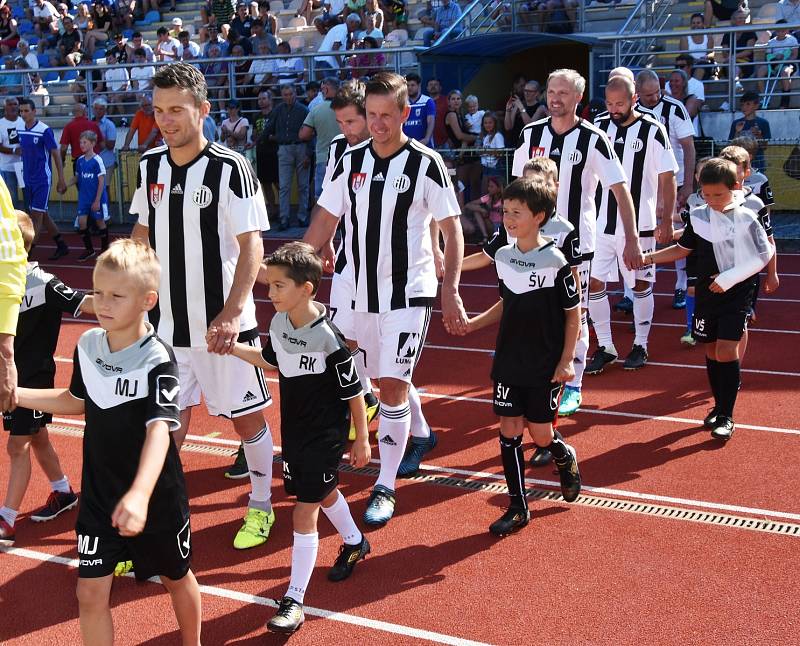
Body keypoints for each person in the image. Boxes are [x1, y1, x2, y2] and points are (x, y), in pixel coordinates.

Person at [17, 239, 203, 644]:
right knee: (89, 592)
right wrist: (15, 394)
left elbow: (160, 431)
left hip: (156, 497)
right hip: (100, 497)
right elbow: (75, 401)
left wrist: (139, 495)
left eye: (117, 295)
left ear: (147, 300)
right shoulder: (87, 346)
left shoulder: (158, 358)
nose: (103, 303)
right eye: (98, 292)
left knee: (176, 578)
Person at [306, 72, 467, 525]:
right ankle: (390, 439)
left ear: (402, 113)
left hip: (406, 295)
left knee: (392, 387)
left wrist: (451, 289)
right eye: (370, 115)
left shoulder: (426, 163)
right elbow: (325, 218)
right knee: (344, 377)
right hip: (352, 293)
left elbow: (453, 230)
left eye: (385, 115)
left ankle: (386, 484)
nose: (376, 124)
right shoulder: (348, 161)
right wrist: (298, 262)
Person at [131, 63, 276, 550]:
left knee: (247, 418)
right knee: (166, 425)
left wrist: (234, 311)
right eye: (159, 111)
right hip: (166, 330)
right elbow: (141, 238)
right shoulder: (150, 167)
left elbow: (252, 244)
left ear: (202, 110)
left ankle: (260, 506)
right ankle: (164, 521)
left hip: (222, 328)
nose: (167, 120)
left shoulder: (230, 167)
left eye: (176, 110)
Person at [223, 242, 371, 634]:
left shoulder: (329, 339)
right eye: (269, 285)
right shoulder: (279, 323)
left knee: (303, 511)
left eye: (278, 286)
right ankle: (355, 542)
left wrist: (362, 439)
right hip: (295, 431)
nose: (269, 293)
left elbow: (354, 392)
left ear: (307, 288)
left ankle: (294, 600)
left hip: (326, 434)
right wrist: (231, 348)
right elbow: (272, 361)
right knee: (321, 494)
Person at [511, 69, 642, 417]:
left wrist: (632, 239)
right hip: (531, 245)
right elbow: (516, 189)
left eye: (563, 93)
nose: (555, 98)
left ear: (578, 98)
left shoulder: (594, 138)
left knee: (574, 315)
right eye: (551, 91)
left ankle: (573, 383)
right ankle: (540, 375)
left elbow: (619, 189)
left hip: (575, 246)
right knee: (532, 313)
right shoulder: (530, 134)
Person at [461, 176, 581, 535]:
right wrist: (474, 324)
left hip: (545, 360)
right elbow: (507, 302)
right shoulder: (502, 256)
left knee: (541, 434)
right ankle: (518, 505)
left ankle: (563, 455)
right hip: (510, 357)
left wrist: (566, 360)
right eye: (505, 212)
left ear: (539, 216)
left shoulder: (555, 260)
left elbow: (572, 313)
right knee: (509, 428)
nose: (508, 219)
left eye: (517, 212)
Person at [639, 158, 773, 441]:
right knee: (711, 351)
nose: (712, 200)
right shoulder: (699, 215)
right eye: (707, 194)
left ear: (735, 186)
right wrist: (648, 258)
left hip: (737, 292)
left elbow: (763, 255)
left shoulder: (747, 216)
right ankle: (718, 406)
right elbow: (683, 248)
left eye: (719, 194)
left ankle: (726, 415)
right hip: (706, 293)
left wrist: (729, 279)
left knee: (726, 350)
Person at [0, 211, 86, 546]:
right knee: (37, 438)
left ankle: (6, 519)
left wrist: (131, 303)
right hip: (11, 378)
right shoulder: (6, 284)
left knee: (17, 445)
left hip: (33, 380)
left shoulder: (44, 283)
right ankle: (63, 492)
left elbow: (83, 303)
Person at [587, 75, 677, 374]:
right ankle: (605, 345)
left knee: (640, 284)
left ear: (634, 99)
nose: (614, 109)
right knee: (594, 285)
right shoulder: (598, 127)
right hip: (601, 224)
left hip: (642, 225)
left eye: (620, 103)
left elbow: (667, 176)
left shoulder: (653, 129)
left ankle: (640, 344)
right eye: (610, 103)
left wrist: (666, 218)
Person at [635, 68, 696, 309]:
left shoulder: (674, 108)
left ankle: (680, 285)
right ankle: (636, 289)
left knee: (677, 234)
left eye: (657, 92)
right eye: (648, 95)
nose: (654, 98)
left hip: (675, 180)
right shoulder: (631, 111)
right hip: (643, 185)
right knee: (640, 235)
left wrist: (689, 184)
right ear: (637, 93)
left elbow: (688, 147)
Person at [17, 99, 69, 260]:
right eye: (21, 111)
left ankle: (28, 252)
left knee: (36, 216)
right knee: (42, 214)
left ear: (34, 111)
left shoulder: (44, 130)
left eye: (26, 111)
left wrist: (61, 178)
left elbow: (55, 154)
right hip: (27, 178)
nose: (23, 114)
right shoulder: (20, 128)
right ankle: (61, 244)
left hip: (42, 179)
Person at [264, 84, 311, 230]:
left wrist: (308, 154)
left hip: (301, 147)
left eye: (290, 94)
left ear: (295, 93)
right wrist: (269, 139)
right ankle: (284, 218)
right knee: (284, 186)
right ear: (282, 96)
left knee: (303, 185)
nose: (288, 97)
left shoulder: (304, 110)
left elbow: (311, 132)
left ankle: (302, 216)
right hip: (284, 148)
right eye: (285, 94)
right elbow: (268, 129)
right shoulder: (278, 110)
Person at [64, 131, 110, 261]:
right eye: (80, 142)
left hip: (97, 198)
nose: (82, 145)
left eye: (85, 142)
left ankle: (104, 250)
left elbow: (102, 181)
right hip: (84, 198)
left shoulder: (97, 160)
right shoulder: (79, 161)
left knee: (100, 222)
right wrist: (65, 185)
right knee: (82, 223)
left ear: (93, 143)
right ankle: (89, 250)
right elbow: (77, 177)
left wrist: (97, 201)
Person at [299, 77, 342, 200]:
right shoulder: (348, 108)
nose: (321, 92)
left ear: (326, 89)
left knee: (322, 199)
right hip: (346, 158)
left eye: (322, 89)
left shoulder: (316, 109)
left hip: (324, 158)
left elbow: (304, 135)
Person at [757, 20, 798, 109]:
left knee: (785, 73)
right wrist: (775, 58)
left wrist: (785, 60)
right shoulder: (771, 42)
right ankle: (764, 99)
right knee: (760, 72)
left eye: (783, 30)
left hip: (788, 63)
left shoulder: (792, 39)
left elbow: (794, 55)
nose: (780, 32)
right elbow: (767, 56)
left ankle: (785, 101)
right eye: (778, 30)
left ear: (787, 30)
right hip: (773, 63)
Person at [728, 92, 771, 172]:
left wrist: (758, 135)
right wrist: (737, 132)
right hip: (740, 163)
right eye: (742, 105)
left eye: (748, 104)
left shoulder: (763, 123)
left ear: (756, 105)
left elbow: (764, 146)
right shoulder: (736, 123)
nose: (744, 107)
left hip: (758, 164)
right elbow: (731, 146)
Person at [60, 103, 104, 175]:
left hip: (79, 162)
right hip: (94, 160)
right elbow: (102, 145)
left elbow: (63, 148)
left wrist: (62, 160)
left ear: (73, 113)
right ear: (85, 112)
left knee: (81, 184)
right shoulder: (94, 125)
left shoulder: (69, 127)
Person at [504, 80, 547, 147]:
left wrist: (521, 107)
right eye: (525, 90)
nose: (526, 93)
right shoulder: (518, 105)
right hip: (515, 144)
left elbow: (530, 125)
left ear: (536, 93)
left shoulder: (541, 108)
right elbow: (508, 127)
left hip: (530, 145)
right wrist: (508, 110)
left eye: (530, 91)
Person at [0, 97, 24, 210]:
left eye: (15, 104)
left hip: (22, 167)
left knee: (27, 195)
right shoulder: (0, 124)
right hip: (7, 168)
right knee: (12, 199)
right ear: (5, 107)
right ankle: (14, 225)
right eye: (10, 104)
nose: (13, 106)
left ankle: (30, 224)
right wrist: (14, 151)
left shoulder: (23, 121)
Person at [403, 72, 435, 146]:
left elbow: (430, 121)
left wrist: (426, 139)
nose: (410, 88)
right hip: (407, 144)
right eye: (407, 85)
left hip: (425, 144)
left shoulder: (427, 101)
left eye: (412, 85)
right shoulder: (403, 103)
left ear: (419, 86)